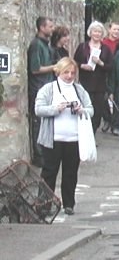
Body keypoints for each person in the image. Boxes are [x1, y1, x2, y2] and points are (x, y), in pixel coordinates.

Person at [35, 57, 94, 215]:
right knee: (49, 173)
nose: (69, 76)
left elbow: (90, 109)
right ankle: (44, 205)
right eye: (66, 72)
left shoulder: (79, 89)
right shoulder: (48, 89)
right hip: (52, 139)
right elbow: (38, 109)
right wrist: (56, 109)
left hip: (73, 139)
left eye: (72, 73)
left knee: (70, 173)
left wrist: (81, 110)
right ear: (58, 72)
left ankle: (69, 204)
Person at [73, 21, 114, 134]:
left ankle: (93, 132)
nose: (97, 34)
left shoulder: (106, 49)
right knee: (86, 109)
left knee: (97, 111)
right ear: (90, 32)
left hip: (100, 85)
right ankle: (87, 134)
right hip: (85, 82)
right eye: (95, 31)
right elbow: (75, 61)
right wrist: (82, 66)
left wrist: (101, 63)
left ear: (102, 34)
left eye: (99, 32)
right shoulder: (83, 47)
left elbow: (111, 66)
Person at [28, 16, 56, 167]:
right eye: (50, 26)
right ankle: (40, 157)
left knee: (46, 122)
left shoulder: (46, 45)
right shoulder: (36, 45)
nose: (52, 29)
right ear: (41, 28)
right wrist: (54, 67)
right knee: (38, 122)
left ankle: (46, 154)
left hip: (46, 87)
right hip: (38, 88)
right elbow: (35, 69)